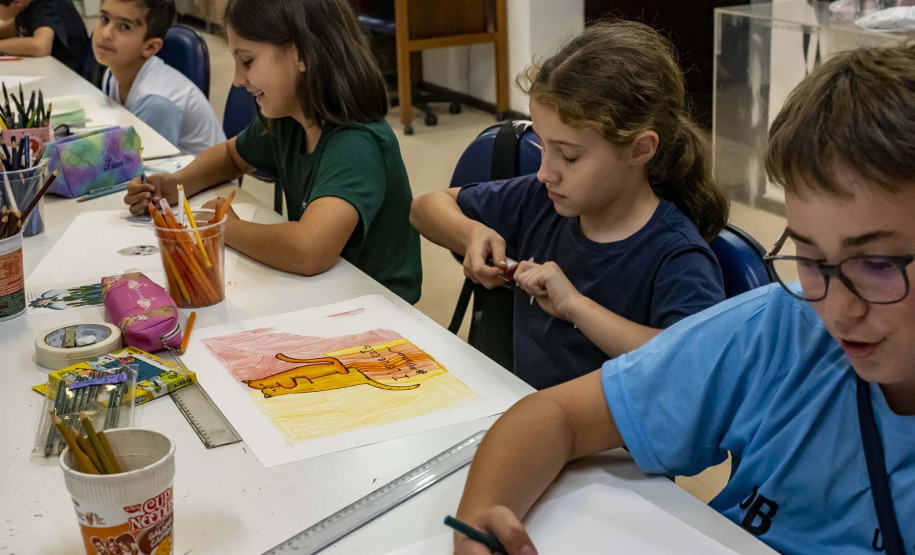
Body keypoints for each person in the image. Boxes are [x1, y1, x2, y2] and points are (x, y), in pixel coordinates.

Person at [452, 43, 915, 555]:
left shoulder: (688, 261)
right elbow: (554, 416)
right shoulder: (779, 326)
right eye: (809, 256)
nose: (838, 309)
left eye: (877, 264)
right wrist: (480, 522)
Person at [410, 21, 727, 389]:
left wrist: (576, 307)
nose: (545, 172)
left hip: (604, 429)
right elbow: (424, 208)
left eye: (569, 156)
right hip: (528, 409)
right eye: (544, 145)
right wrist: (470, 234)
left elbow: (692, 366)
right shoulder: (541, 199)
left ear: (640, 149)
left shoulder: (677, 257)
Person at [123, 0, 422, 303]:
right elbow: (230, 156)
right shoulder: (291, 119)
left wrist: (227, 227)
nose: (237, 79)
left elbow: (308, 251)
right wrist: (174, 185)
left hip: (378, 310)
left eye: (248, 61)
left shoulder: (357, 144)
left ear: (302, 55)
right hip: (322, 294)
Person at [94, 0, 226, 156]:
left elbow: (136, 163)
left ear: (150, 47)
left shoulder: (157, 102)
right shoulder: (112, 74)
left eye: (125, 27)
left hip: (199, 172)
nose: (106, 34)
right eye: (105, 19)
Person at [0, 0, 88, 72]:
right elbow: (15, 27)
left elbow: (40, 46)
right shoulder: (26, 6)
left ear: (17, 2)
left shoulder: (45, 6)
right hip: (51, 67)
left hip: (69, 73)